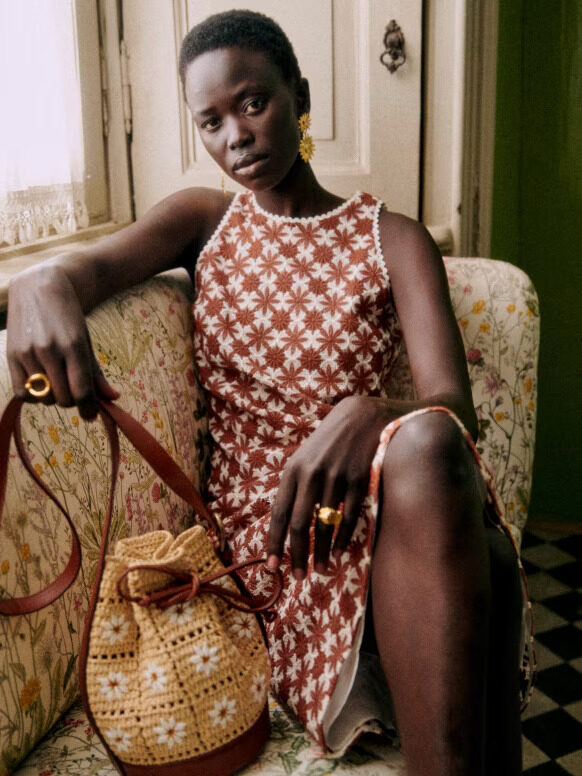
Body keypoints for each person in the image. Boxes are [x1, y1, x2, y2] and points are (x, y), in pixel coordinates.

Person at [6, 10, 530, 775]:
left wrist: (366, 413)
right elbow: (82, 272)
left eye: (254, 103)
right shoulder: (203, 220)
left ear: (301, 95)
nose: (237, 137)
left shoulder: (396, 238)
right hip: (277, 542)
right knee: (475, 551)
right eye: (211, 122)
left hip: (374, 503)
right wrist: (37, 280)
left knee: (429, 447)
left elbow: (456, 408)